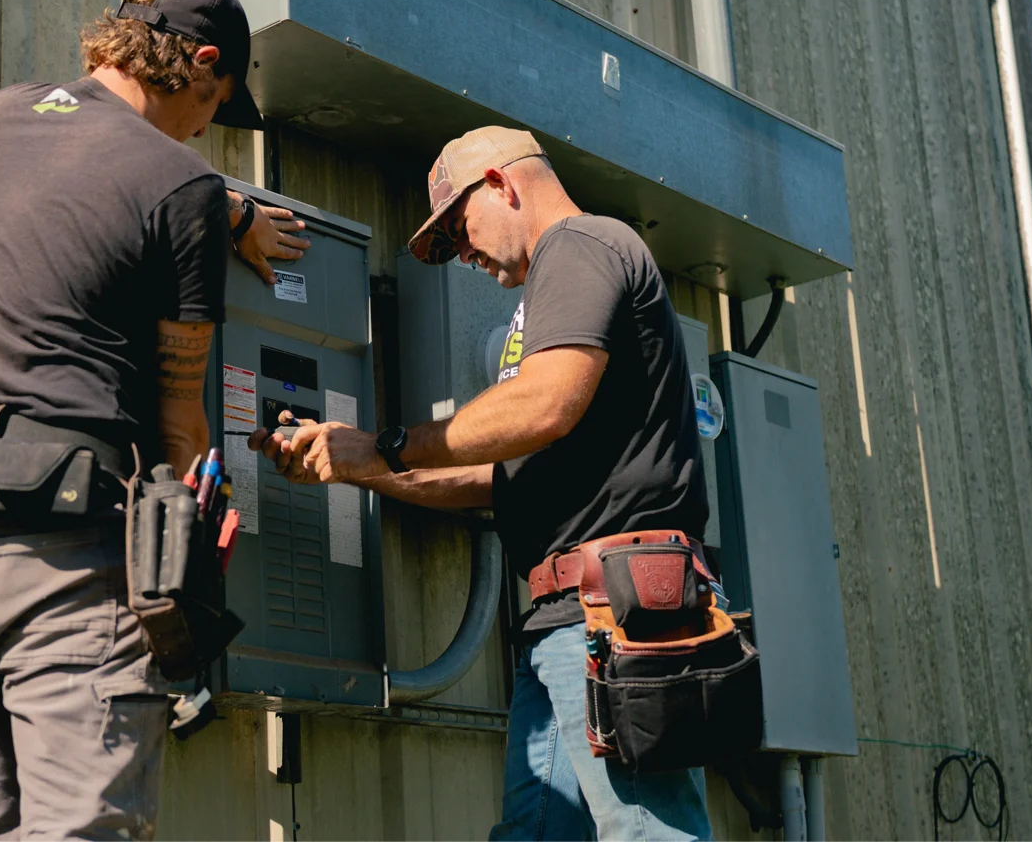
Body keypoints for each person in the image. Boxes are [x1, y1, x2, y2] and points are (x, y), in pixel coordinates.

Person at [0, 0, 308, 841]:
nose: (206, 130)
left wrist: (225, 214)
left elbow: (80, 166)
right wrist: (192, 559)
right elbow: (179, 426)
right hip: (61, 543)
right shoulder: (180, 182)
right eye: (216, 107)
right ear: (200, 64)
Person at [252, 126, 715, 841]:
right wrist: (364, 463)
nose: (462, 256)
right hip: (569, 622)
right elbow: (501, 477)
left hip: (615, 609)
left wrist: (389, 443)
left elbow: (542, 404)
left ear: (501, 183)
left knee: (650, 832)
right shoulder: (556, 284)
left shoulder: (581, 245)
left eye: (460, 230)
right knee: (532, 833)